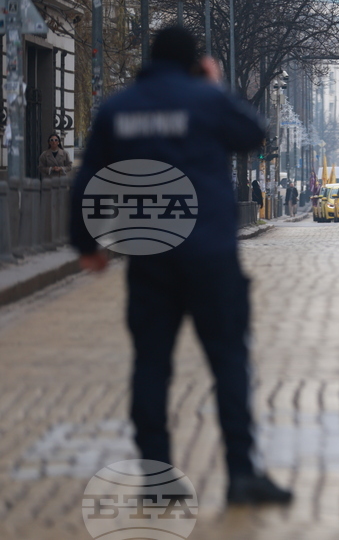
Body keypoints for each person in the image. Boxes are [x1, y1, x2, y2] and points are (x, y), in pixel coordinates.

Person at [69, 26, 292, 506]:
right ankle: (240, 474)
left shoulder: (119, 108)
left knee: (151, 366)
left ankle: (157, 479)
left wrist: (86, 243)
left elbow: (90, 178)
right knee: (229, 362)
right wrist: (213, 86)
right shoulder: (205, 100)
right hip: (211, 256)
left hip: (150, 254)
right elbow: (254, 133)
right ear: (195, 62)